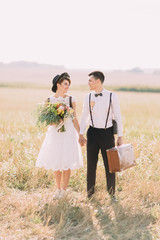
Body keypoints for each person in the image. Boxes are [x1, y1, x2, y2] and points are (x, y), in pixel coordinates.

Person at [36, 72, 83, 199]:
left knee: (66, 161)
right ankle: (57, 189)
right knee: (56, 161)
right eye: (65, 84)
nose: (67, 87)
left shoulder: (71, 99)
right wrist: (57, 120)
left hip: (68, 133)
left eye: (68, 84)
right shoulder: (49, 100)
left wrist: (80, 134)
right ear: (58, 85)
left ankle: (64, 190)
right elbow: (47, 120)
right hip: (55, 133)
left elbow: (74, 118)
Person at [79, 71, 123, 201]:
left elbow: (118, 117)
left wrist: (120, 136)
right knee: (91, 164)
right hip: (92, 133)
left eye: (90, 81)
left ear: (98, 81)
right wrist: (81, 133)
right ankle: (90, 194)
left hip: (107, 133)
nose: (88, 83)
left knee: (110, 165)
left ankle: (111, 194)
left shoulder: (112, 96)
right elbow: (84, 115)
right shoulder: (87, 96)